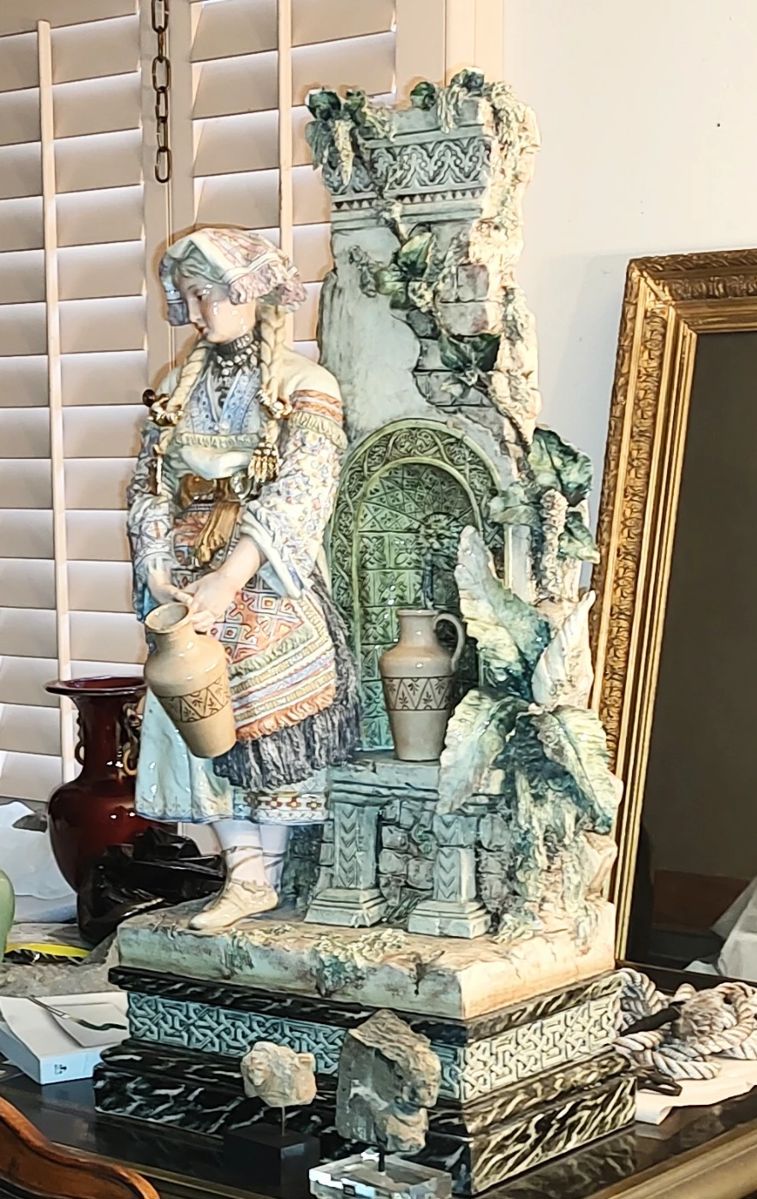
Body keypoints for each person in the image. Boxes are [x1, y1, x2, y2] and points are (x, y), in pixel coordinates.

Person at [127, 227, 358, 932]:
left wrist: (231, 576)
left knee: (264, 710)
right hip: (188, 578)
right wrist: (158, 567)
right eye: (188, 298)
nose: (197, 313)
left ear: (247, 294)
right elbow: (150, 485)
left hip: (264, 576)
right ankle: (244, 869)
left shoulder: (305, 385)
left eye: (207, 296)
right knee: (192, 705)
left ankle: (270, 871)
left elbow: (302, 491)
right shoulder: (177, 388)